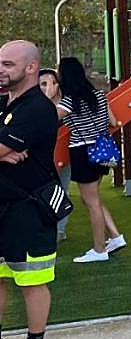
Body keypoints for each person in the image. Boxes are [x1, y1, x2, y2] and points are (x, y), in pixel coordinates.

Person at [0, 41, 59, 339]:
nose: (1, 70)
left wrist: (4, 149)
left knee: (31, 280)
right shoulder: (4, 102)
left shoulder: (37, 108)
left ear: (32, 67)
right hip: (2, 205)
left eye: (8, 64)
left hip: (29, 208)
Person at [57, 57, 125, 263]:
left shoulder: (69, 100)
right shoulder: (99, 96)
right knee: (92, 199)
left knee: (92, 202)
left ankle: (99, 249)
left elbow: (49, 117)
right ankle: (115, 237)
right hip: (102, 150)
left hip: (82, 152)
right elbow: (114, 121)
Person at [38, 68, 72, 241]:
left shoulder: (65, 105)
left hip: (62, 156)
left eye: (52, 83)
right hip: (41, 158)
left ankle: (59, 229)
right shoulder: (34, 105)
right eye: (43, 84)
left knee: (62, 189)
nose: (48, 87)